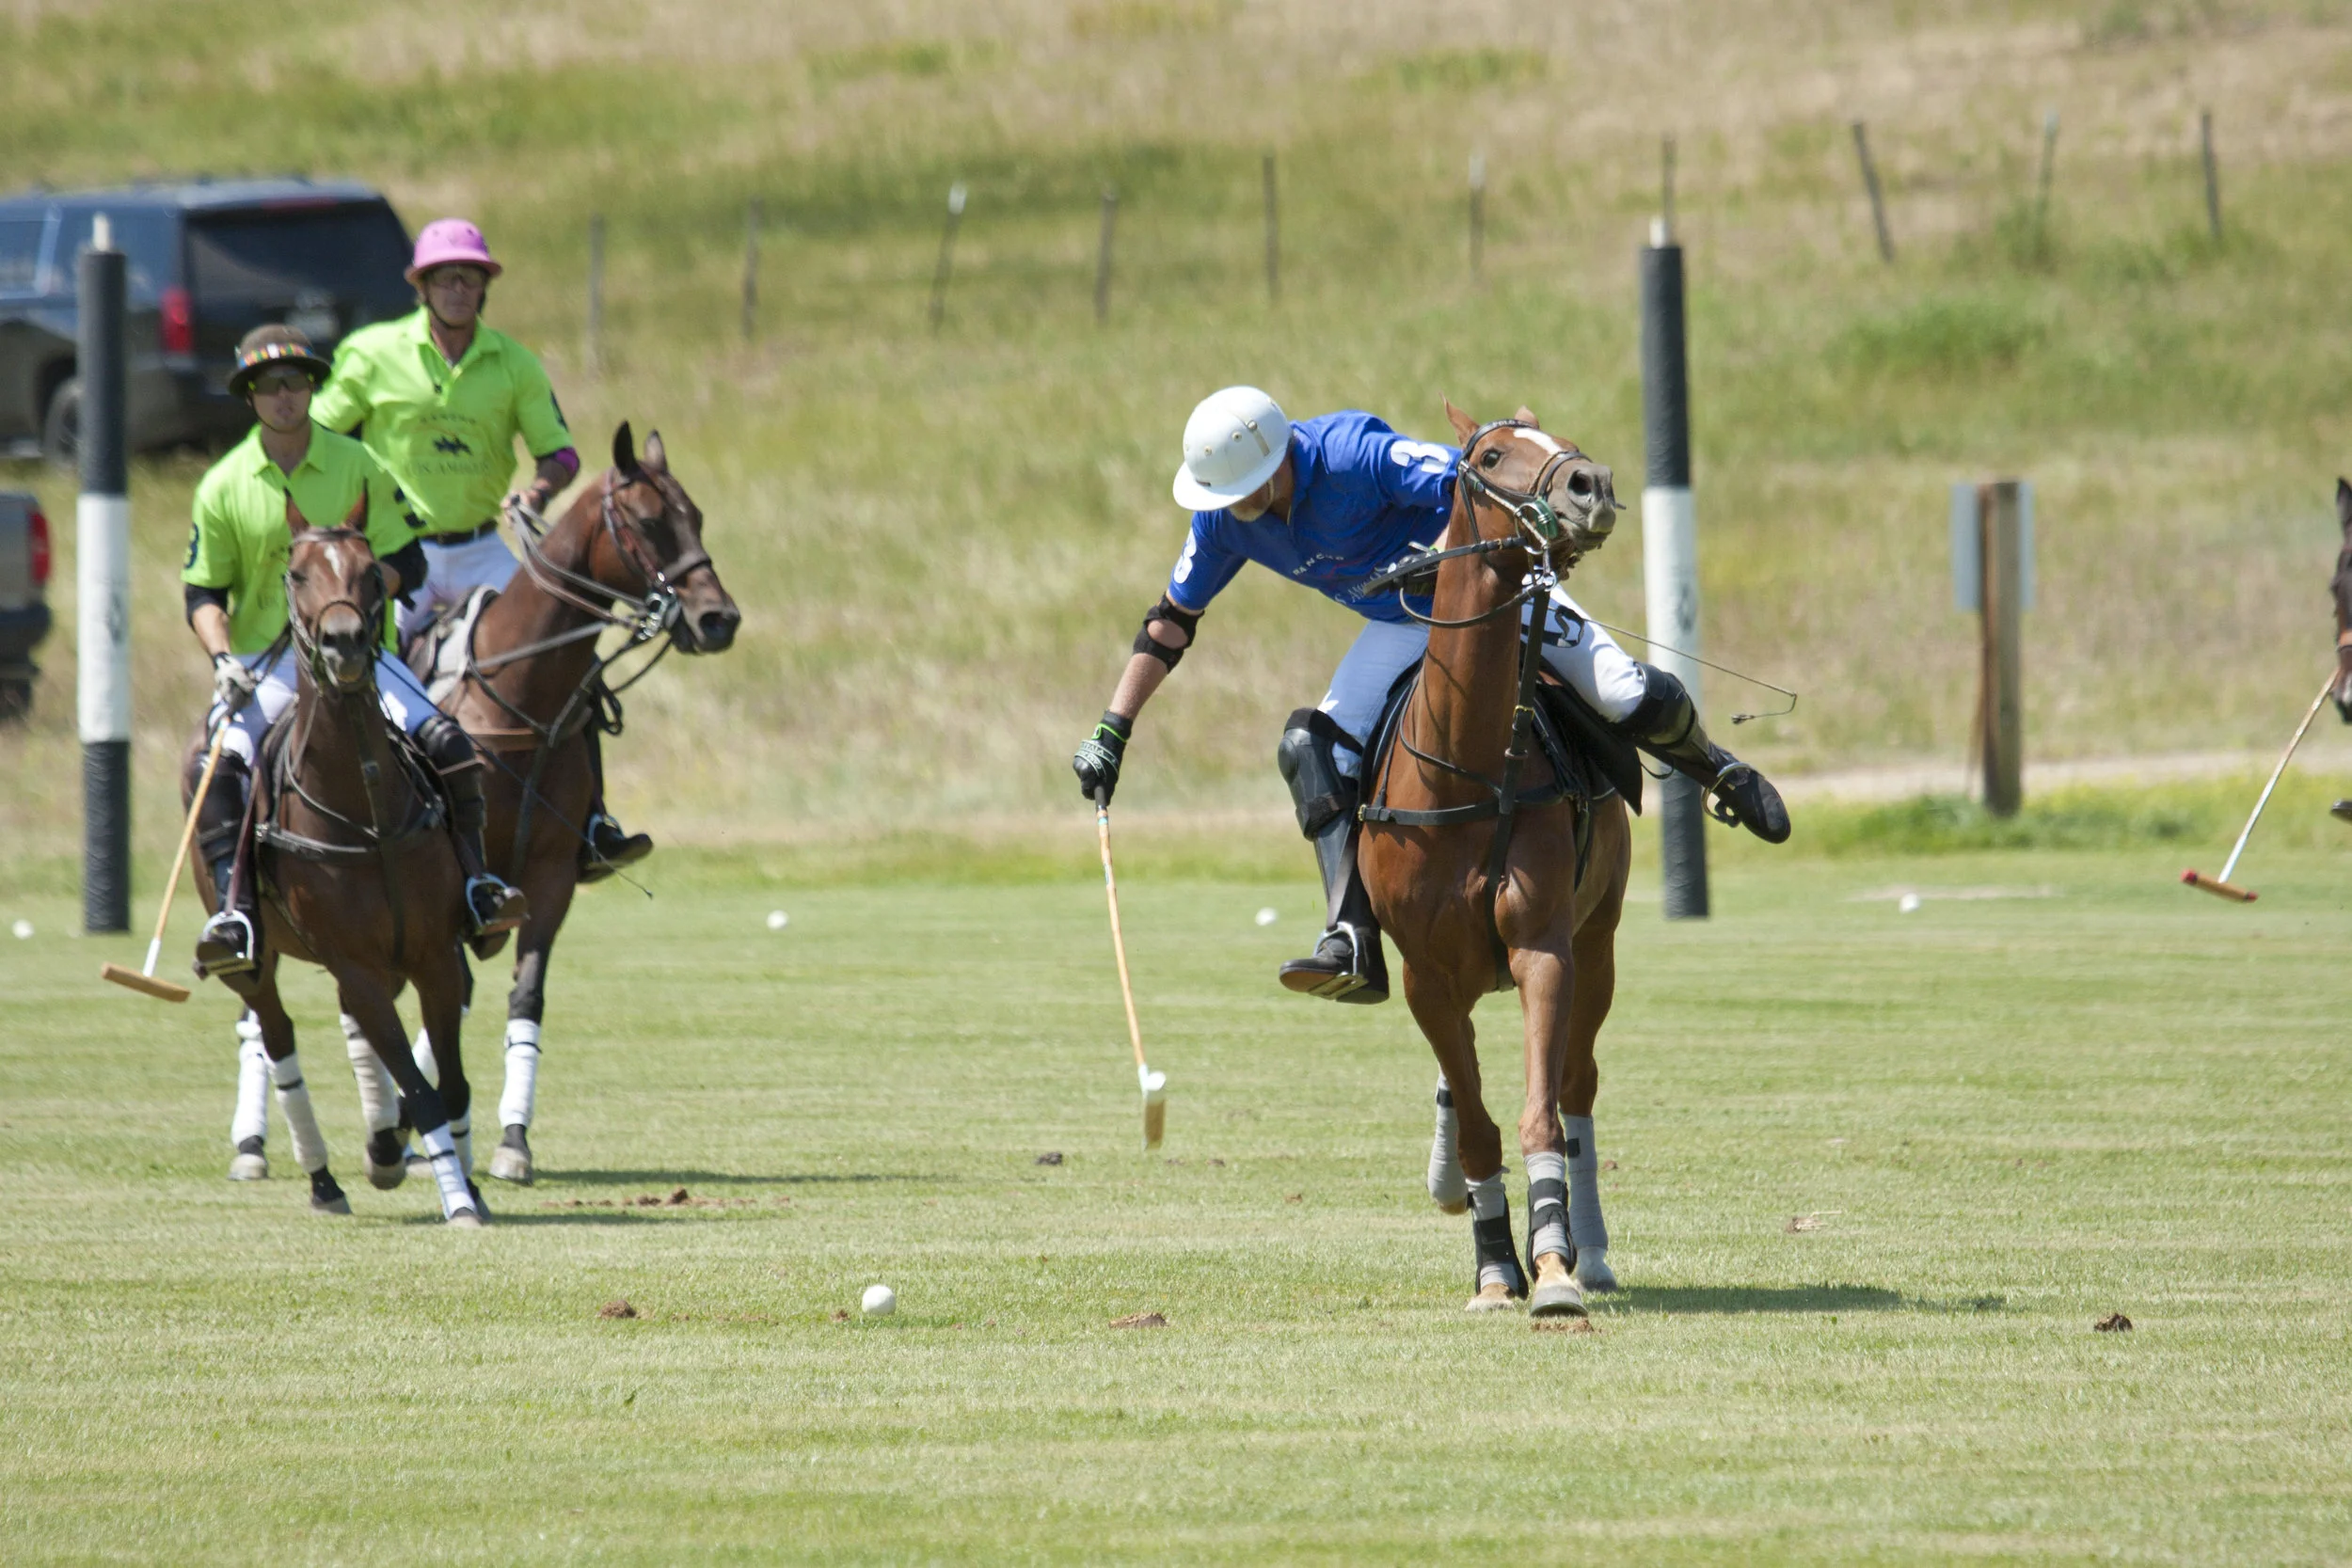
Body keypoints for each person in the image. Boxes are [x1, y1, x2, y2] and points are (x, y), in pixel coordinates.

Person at [1071, 386, 1788, 1006]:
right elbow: (1170, 622)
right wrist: (1114, 727)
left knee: (1623, 690)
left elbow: (1478, 484)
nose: (1228, 508)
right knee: (1308, 747)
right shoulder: (1226, 520)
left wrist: (1442, 558)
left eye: (1236, 492)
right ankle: (1350, 933)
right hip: (1399, 625)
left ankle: (1719, 769)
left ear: (1274, 463)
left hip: (1488, 591)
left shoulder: (1355, 453)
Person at [184, 325, 530, 989]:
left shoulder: (359, 464)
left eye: (297, 382)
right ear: (251, 395)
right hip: (267, 661)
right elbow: (203, 590)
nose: (285, 396)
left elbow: (409, 558)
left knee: (448, 740)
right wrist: (223, 657)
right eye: (270, 385)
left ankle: (478, 886)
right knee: (218, 760)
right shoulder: (223, 485)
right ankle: (235, 915)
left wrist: (354, 607)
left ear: (313, 388)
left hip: (364, 654)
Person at [310, 218, 650, 882]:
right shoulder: (371, 354)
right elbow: (321, 437)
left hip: (480, 549)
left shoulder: (514, 362)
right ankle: (343, 822)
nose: (458, 289)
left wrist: (540, 490)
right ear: (423, 286)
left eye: (470, 277)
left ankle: (593, 823)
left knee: (568, 657)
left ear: (484, 286)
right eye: (445, 278)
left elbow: (561, 452)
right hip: (396, 553)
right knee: (352, 670)